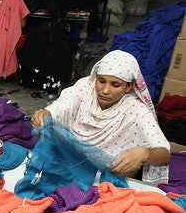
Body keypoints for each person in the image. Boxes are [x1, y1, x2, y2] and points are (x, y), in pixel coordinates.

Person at [30, 50, 170, 183]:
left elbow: (164, 154)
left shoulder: (136, 110)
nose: (105, 90)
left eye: (115, 85)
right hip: (70, 161)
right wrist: (45, 114)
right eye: (101, 81)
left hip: (106, 174)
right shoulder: (84, 88)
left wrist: (145, 153)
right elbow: (61, 107)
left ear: (128, 87)